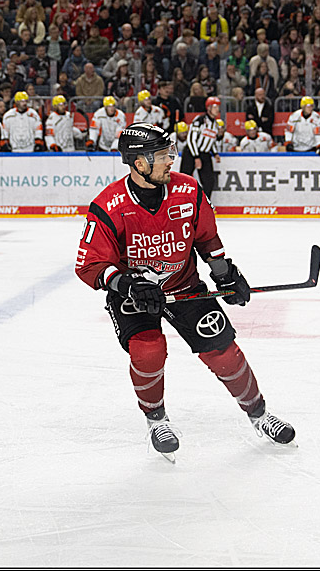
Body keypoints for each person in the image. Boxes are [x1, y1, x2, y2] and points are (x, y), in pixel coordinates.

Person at [75, 122, 295, 461]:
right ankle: (156, 419)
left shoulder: (189, 191)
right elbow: (90, 265)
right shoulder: (108, 205)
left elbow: (207, 238)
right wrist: (127, 283)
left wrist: (225, 273)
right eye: (161, 156)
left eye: (169, 154)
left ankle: (259, 414)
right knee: (148, 352)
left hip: (185, 285)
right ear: (138, 163)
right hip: (134, 295)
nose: (170, 161)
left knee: (224, 351)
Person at [180, 95, 223, 197]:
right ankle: (179, 203)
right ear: (208, 108)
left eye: (218, 107)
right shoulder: (200, 120)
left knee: (209, 182)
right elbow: (191, 139)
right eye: (215, 107)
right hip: (191, 153)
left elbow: (210, 141)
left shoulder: (215, 125)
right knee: (183, 181)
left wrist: (215, 153)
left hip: (205, 154)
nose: (217, 109)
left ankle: (204, 206)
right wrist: (196, 157)